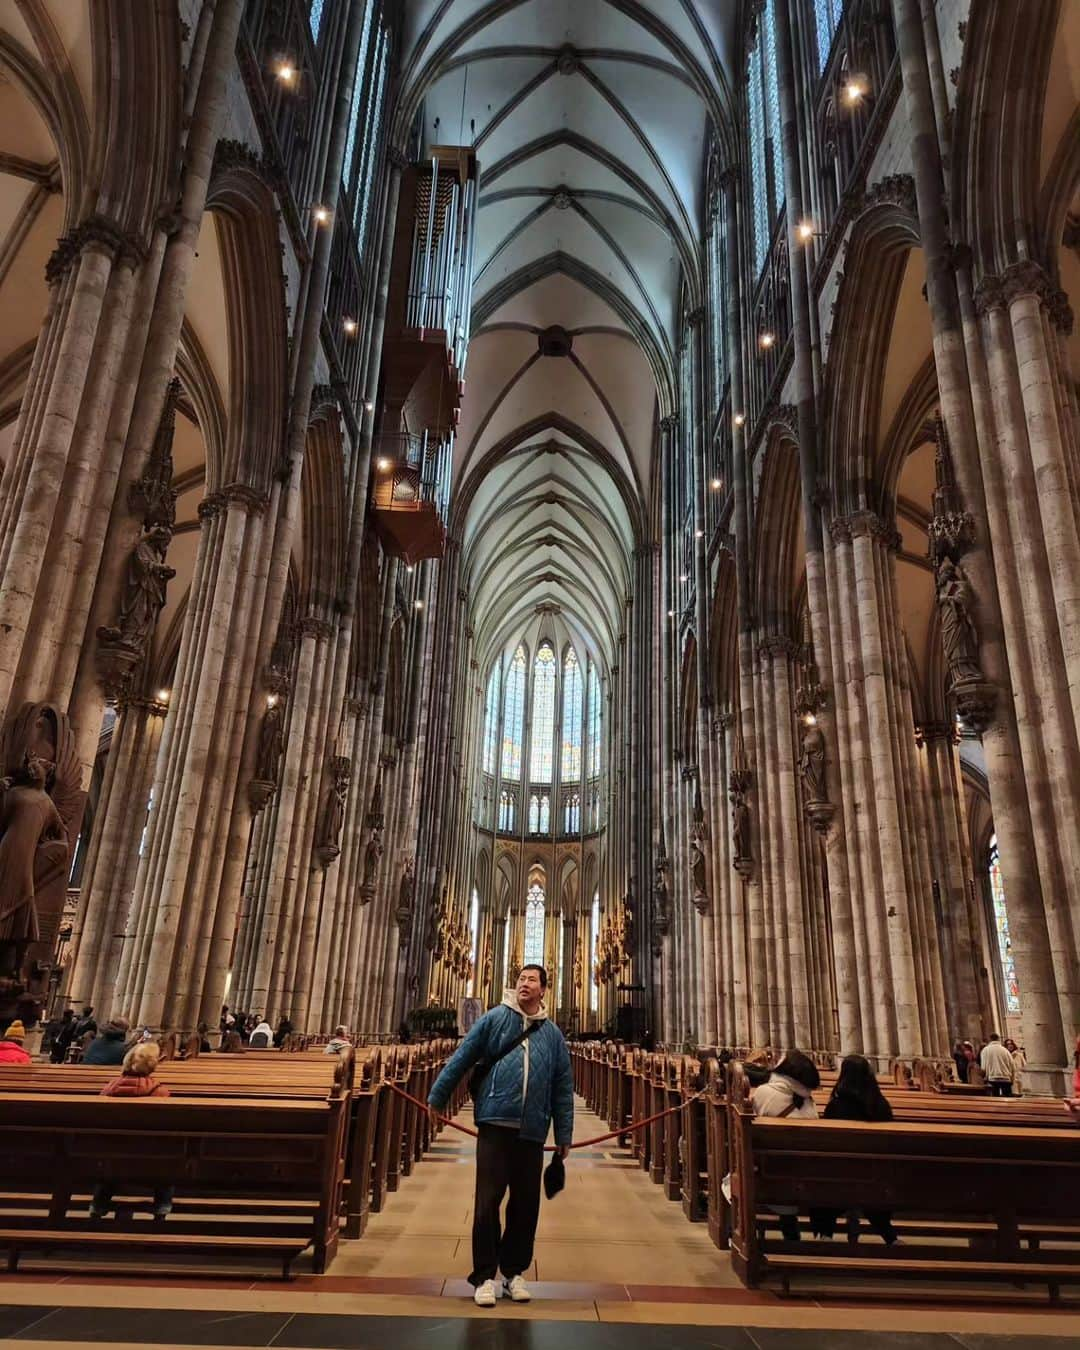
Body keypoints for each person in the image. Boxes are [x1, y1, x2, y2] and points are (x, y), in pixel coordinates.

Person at [426, 963, 574, 1308]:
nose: (525, 984)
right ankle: (483, 1277)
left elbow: (563, 1088)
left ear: (543, 990)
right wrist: (437, 1095)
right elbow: (463, 1057)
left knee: (525, 1205)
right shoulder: (494, 1019)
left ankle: (513, 1273)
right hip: (494, 1122)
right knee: (487, 1202)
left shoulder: (552, 1035)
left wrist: (564, 1133)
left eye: (532, 980)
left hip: (533, 1129)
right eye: (521, 979)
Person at [809, 1055, 898, 1245]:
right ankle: (889, 1235)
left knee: (826, 1180)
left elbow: (827, 1143)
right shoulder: (881, 1106)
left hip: (841, 1177)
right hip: (876, 1178)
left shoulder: (836, 1105)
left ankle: (826, 1233)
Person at [89, 1042, 174, 1219]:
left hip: (109, 1159)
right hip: (150, 1161)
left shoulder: (109, 1090)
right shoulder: (160, 1093)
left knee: (111, 1154)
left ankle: (98, 1204)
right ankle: (162, 1205)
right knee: (167, 1159)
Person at [751, 1050, 820, 1242]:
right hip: (804, 1178)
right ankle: (791, 1228)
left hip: (768, 1173)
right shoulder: (809, 1103)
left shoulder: (764, 1092)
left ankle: (735, 1229)